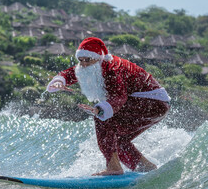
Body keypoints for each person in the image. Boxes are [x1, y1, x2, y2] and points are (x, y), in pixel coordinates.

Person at [46, 37, 170, 176]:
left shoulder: (113, 68)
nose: (84, 64)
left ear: (98, 58)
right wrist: (59, 81)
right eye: (81, 60)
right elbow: (71, 73)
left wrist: (101, 109)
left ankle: (114, 168)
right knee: (119, 141)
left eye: (87, 60)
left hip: (152, 102)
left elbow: (119, 97)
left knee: (101, 118)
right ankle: (146, 168)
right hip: (150, 104)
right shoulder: (91, 65)